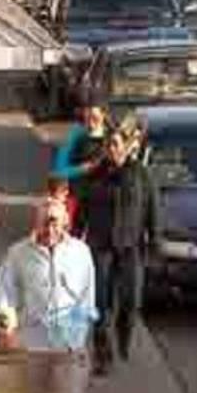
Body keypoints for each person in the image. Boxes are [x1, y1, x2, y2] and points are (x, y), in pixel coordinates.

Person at [0, 192, 98, 393]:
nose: (50, 228)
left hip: (70, 342)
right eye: (44, 222)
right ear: (35, 223)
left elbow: (87, 297)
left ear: (66, 224)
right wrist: (5, 320)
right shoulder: (19, 253)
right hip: (33, 342)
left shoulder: (80, 253)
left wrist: (81, 332)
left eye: (55, 222)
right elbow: (4, 291)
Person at [79, 119, 159, 375]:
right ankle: (104, 355)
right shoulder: (95, 175)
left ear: (125, 147)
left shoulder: (140, 175)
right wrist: (72, 240)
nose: (111, 149)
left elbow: (152, 208)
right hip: (100, 246)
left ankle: (124, 336)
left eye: (115, 144)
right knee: (100, 304)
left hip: (130, 247)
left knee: (131, 301)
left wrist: (154, 240)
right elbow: (83, 210)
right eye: (107, 144)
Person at [53, 101, 111, 220]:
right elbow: (59, 169)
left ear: (104, 115)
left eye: (94, 116)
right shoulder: (74, 136)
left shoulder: (111, 138)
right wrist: (83, 168)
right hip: (77, 198)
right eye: (87, 115)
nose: (90, 121)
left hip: (102, 201)